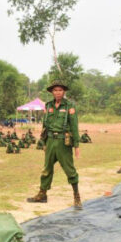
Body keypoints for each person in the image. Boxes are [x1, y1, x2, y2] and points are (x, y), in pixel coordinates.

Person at [27, 80, 82, 209]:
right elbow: (45, 125)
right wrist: (44, 141)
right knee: (46, 169)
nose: (58, 92)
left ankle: (77, 196)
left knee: (70, 170)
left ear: (64, 92)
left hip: (64, 142)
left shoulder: (69, 106)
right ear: (52, 92)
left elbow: (74, 126)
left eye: (60, 90)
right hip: (50, 140)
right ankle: (42, 194)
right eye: (55, 90)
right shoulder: (48, 105)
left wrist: (77, 146)